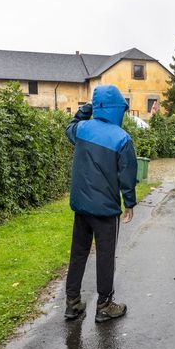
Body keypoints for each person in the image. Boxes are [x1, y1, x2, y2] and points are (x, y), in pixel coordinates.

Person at [63, 85, 138, 323]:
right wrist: (129, 202)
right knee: (105, 256)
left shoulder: (82, 129)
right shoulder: (122, 138)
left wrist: (86, 108)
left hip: (81, 207)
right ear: (118, 109)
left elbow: (69, 128)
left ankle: (72, 304)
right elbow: (127, 174)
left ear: (97, 106)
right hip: (105, 210)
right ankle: (104, 306)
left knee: (78, 253)